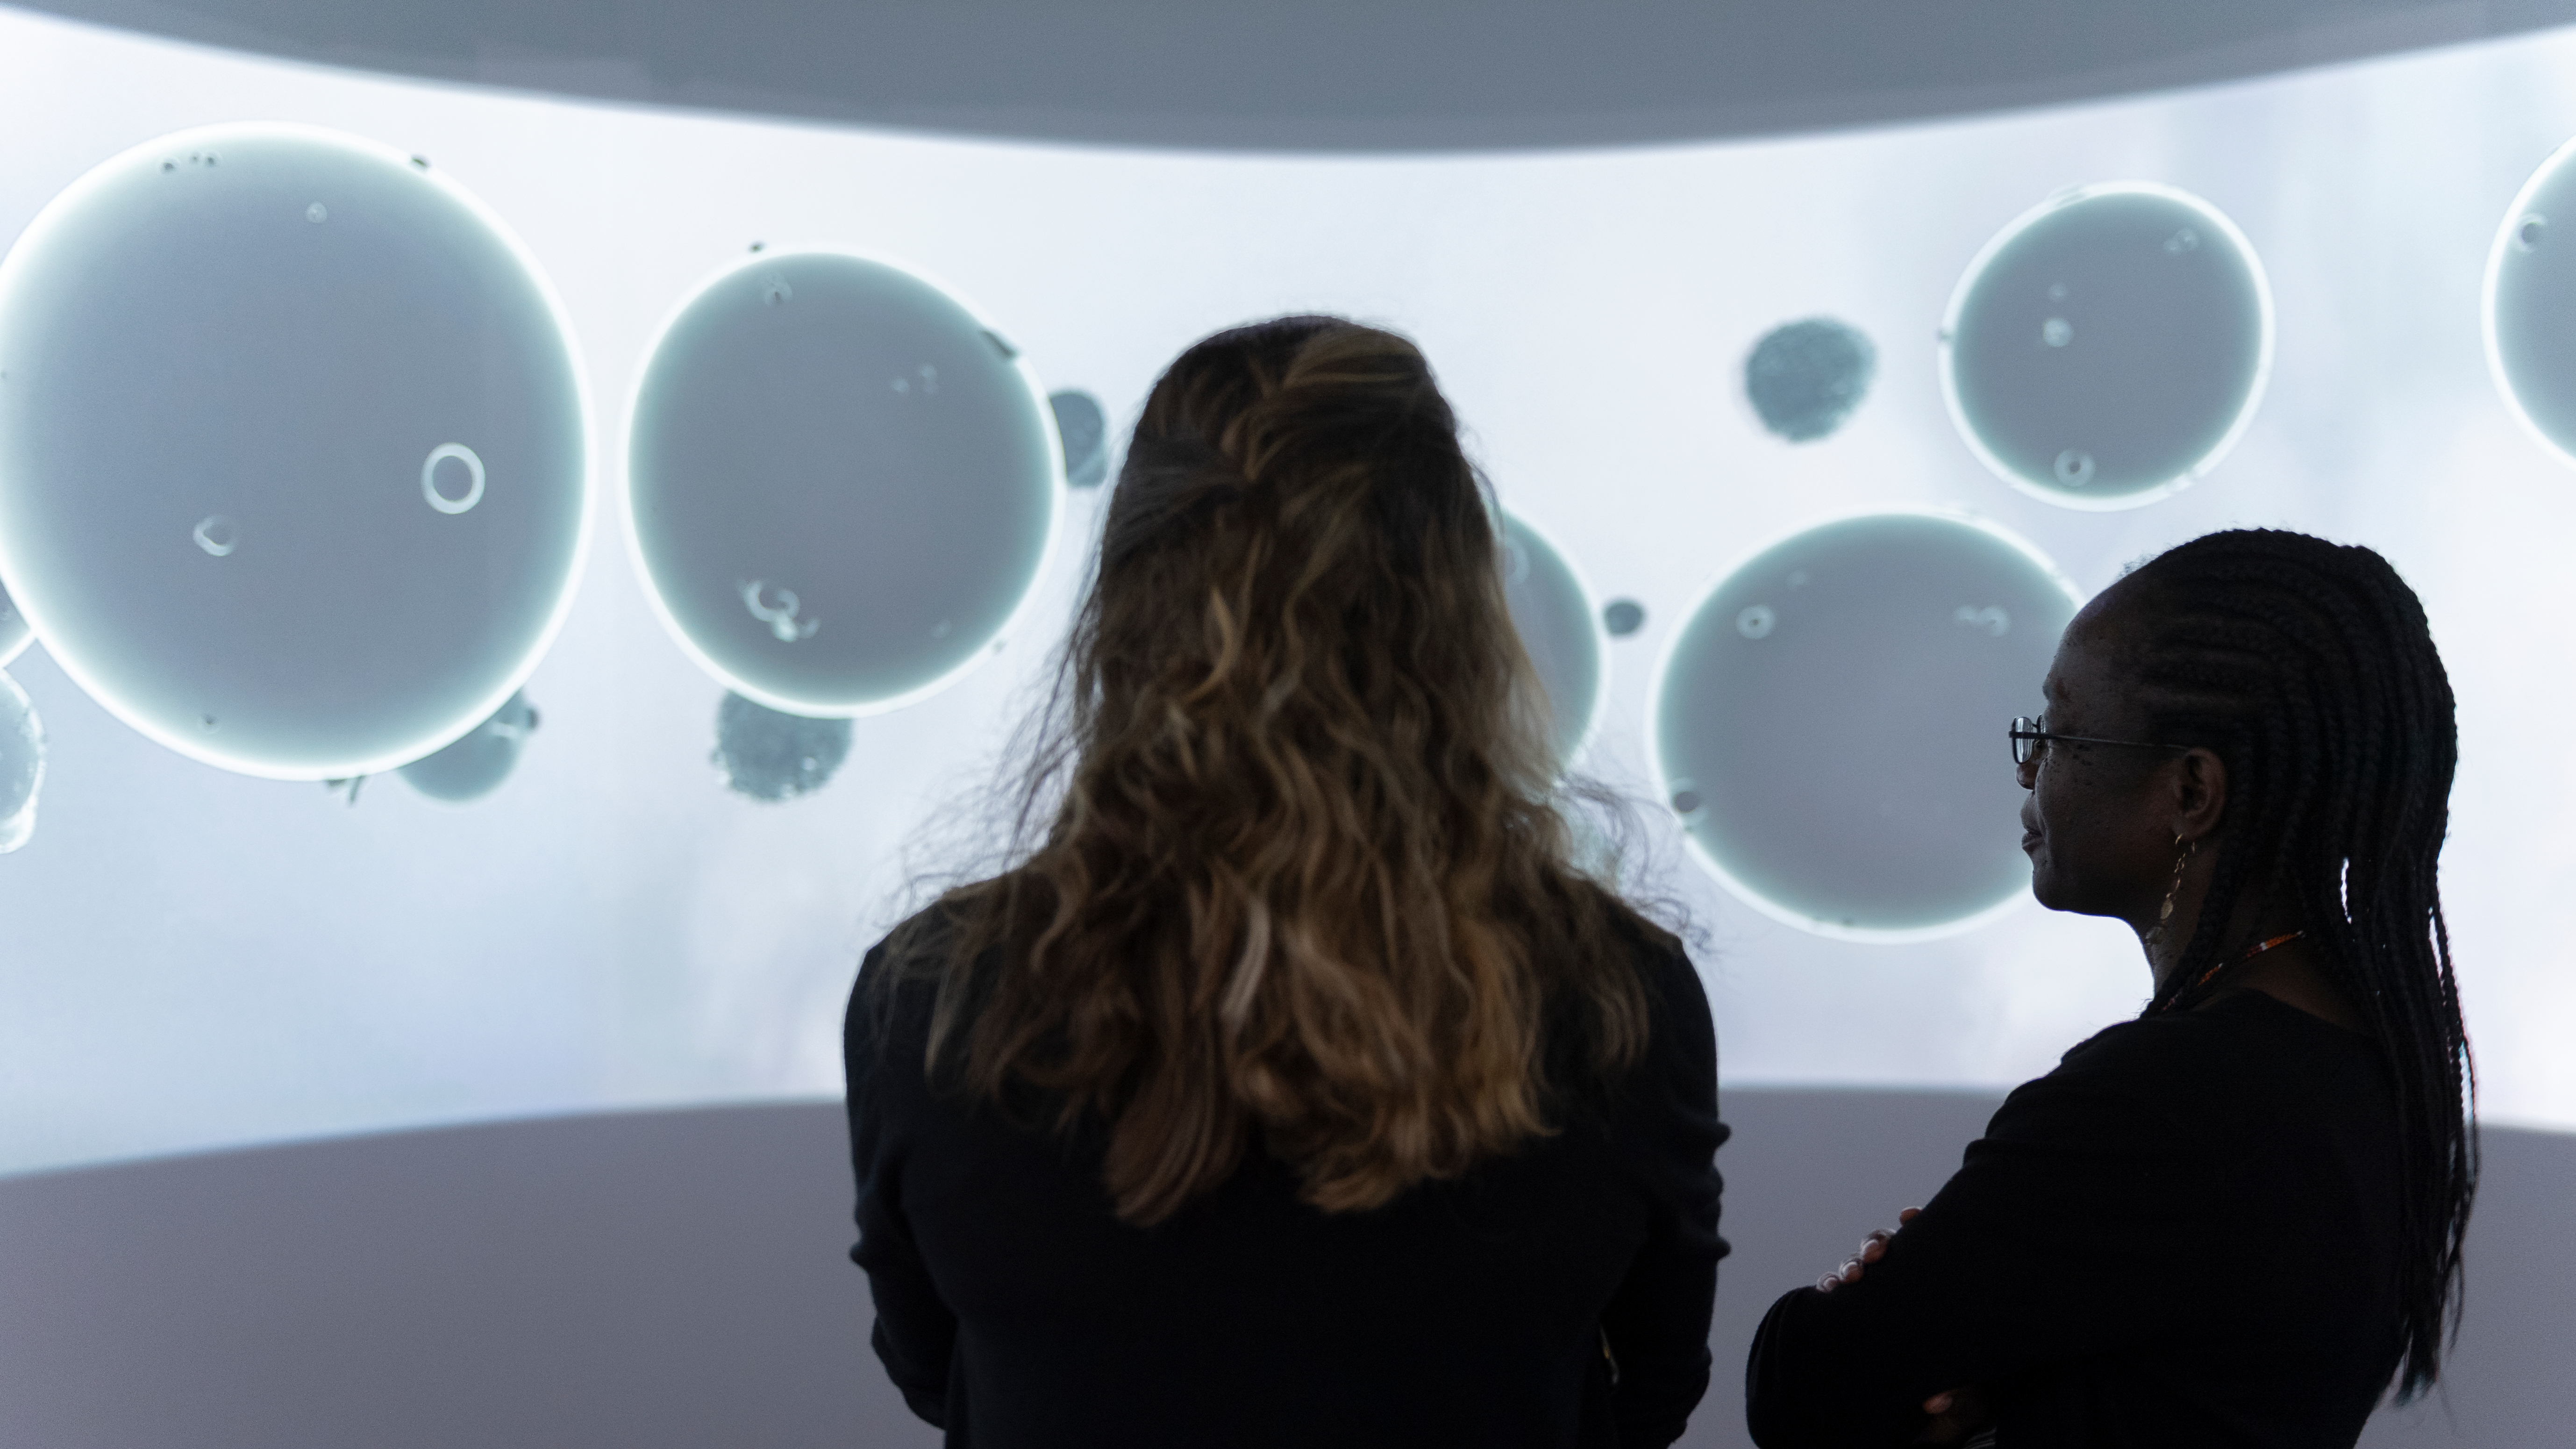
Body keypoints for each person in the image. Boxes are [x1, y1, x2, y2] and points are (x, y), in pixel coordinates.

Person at [843, 317, 1728, 1449]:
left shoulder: (934, 996)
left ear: (1128, 596)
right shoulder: (1618, 997)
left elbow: (936, 1369)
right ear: (1456, 608)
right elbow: (1649, 1390)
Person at [1745, 529, 2475, 1448]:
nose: (2027, 766)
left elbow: (1804, 1383)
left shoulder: (2164, 1100)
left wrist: (1891, 1292)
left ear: (2191, 791)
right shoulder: (2368, 1063)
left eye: (2058, 731)